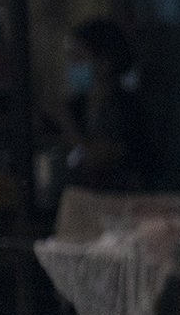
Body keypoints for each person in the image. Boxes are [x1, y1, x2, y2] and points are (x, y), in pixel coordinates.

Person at [63, 17, 151, 191]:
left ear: (105, 63)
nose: (71, 66)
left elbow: (96, 158)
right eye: (70, 57)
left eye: (79, 58)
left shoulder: (126, 107)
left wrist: (64, 120)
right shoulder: (78, 105)